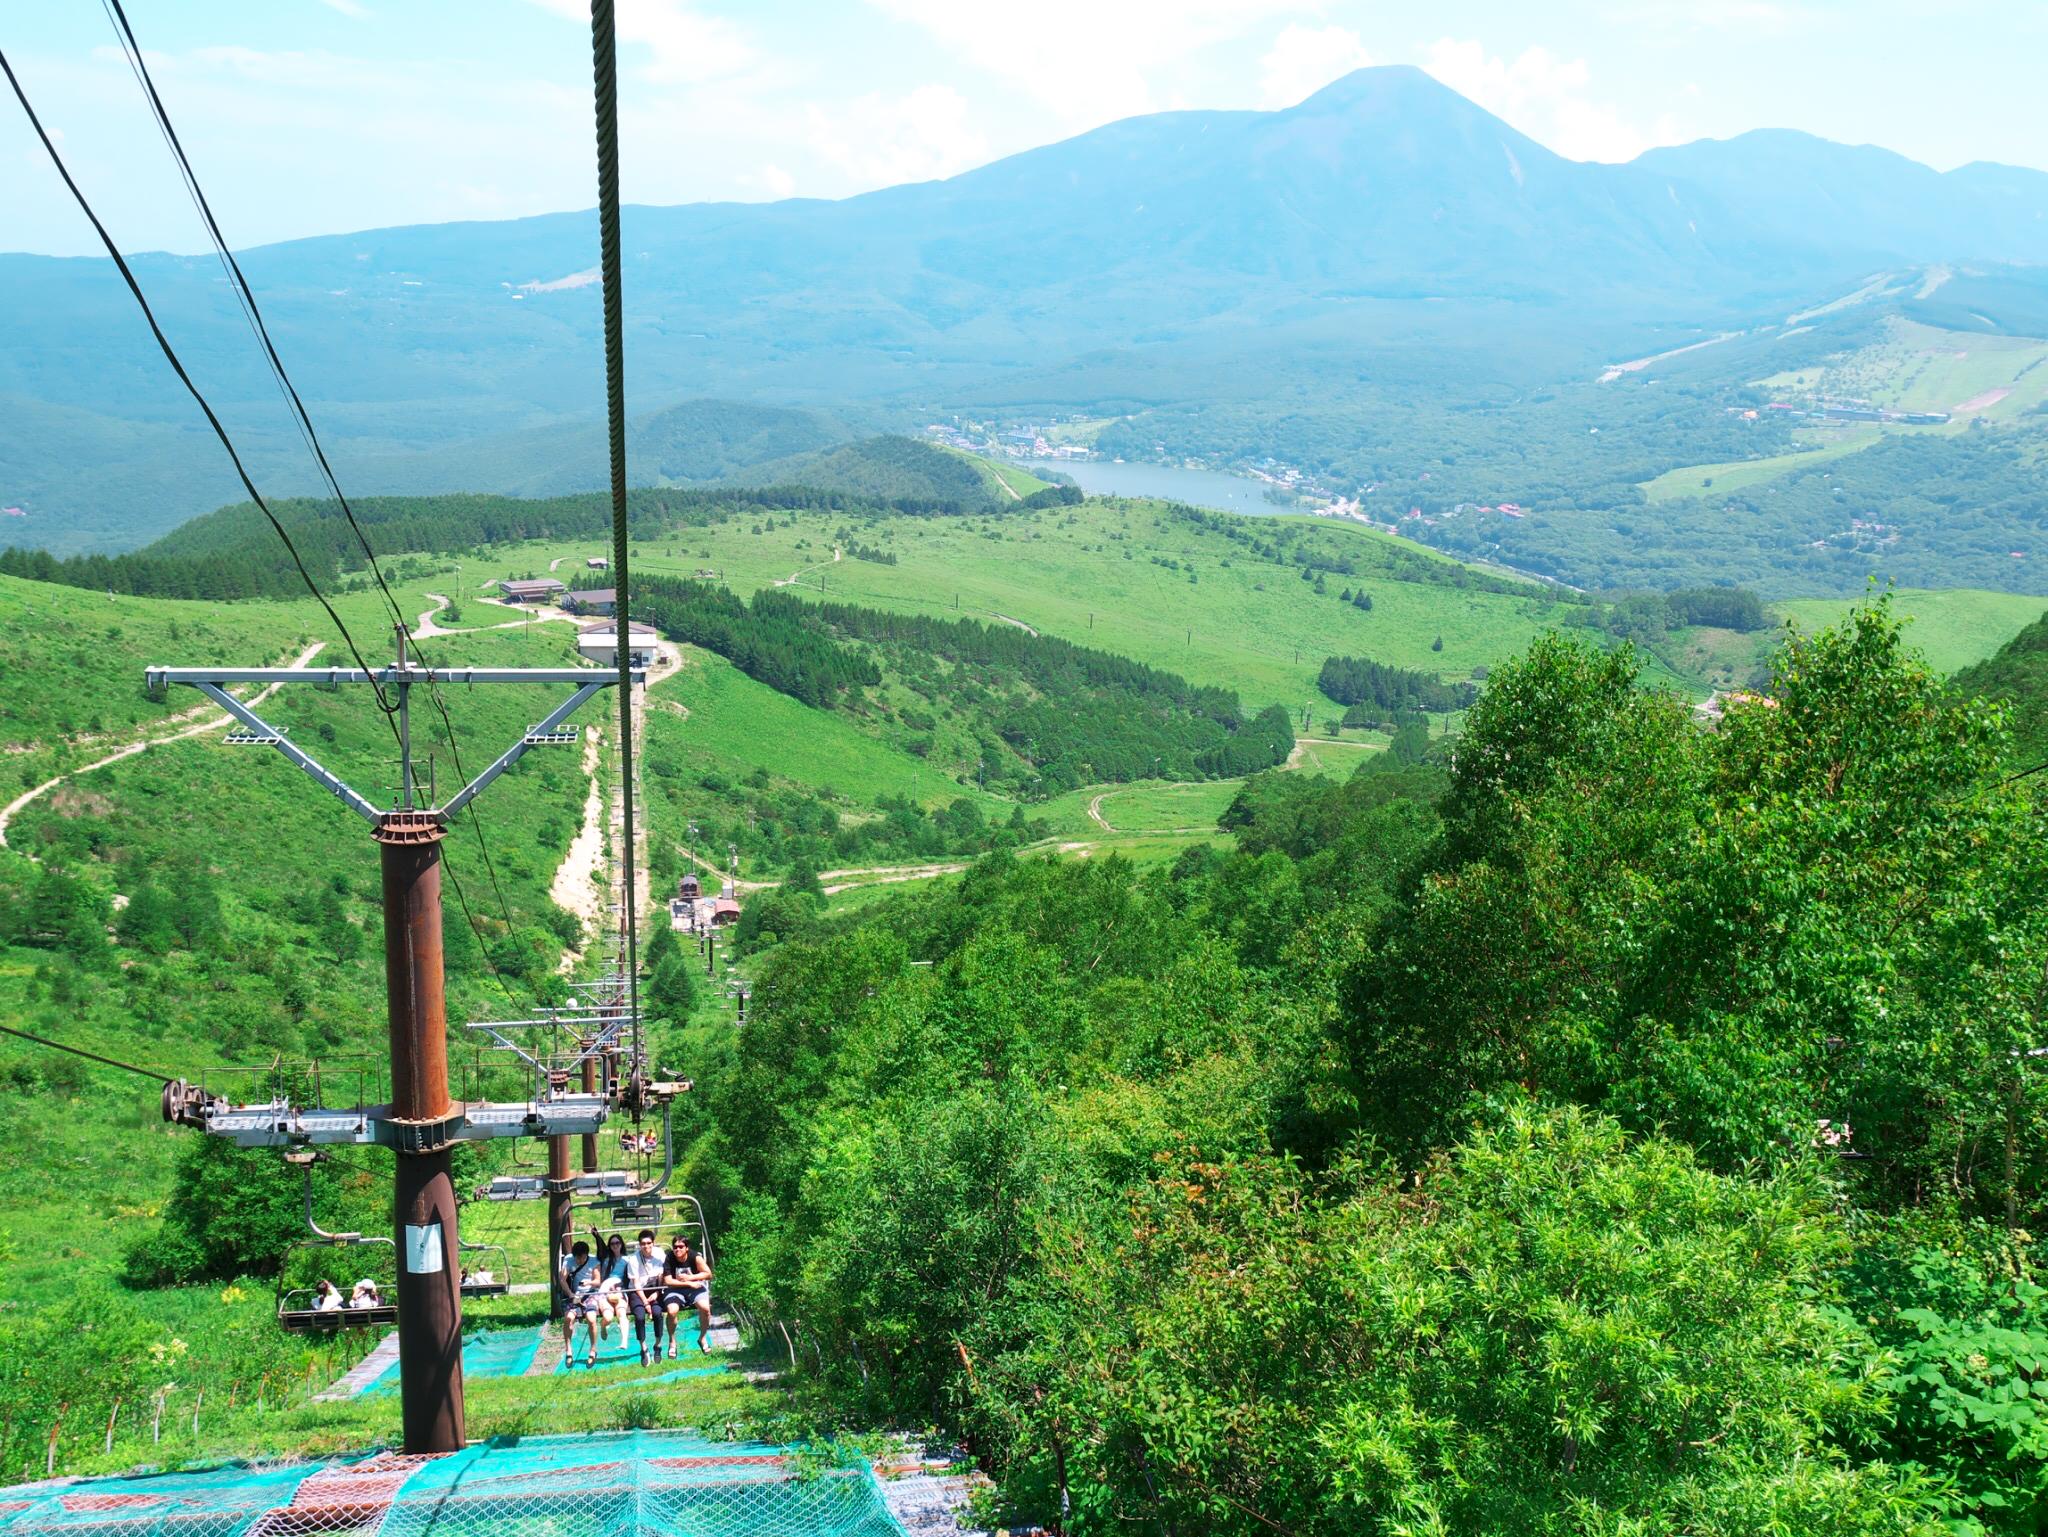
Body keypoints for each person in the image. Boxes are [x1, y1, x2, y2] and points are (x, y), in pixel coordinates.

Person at [658, 1235, 714, 1357]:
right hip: (675, 1289)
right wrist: (688, 1283)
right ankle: (672, 1341)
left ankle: (702, 1338)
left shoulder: (695, 1257)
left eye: (681, 1247)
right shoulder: (669, 1258)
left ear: (686, 1248)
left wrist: (691, 1278)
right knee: (672, 1311)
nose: (677, 1249)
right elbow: (668, 1281)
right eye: (675, 1247)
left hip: (695, 1288)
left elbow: (708, 1274)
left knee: (705, 1309)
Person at [556, 1240, 606, 1368]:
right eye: (577, 1258)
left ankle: (593, 1349)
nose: (579, 1261)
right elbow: (562, 1278)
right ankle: (568, 1349)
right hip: (575, 1295)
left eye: (582, 1258)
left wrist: (588, 1283)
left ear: (586, 1255)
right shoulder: (569, 1260)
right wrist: (570, 1293)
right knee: (568, 1318)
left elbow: (598, 1281)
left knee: (591, 1319)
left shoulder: (594, 1261)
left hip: (590, 1294)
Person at [622, 1229, 667, 1365]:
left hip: (655, 1288)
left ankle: (658, 1345)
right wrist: (646, 1303)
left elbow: (663, 1276)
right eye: (643, 1244)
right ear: (639, 1245)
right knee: (640, 1316)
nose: (646, 1246)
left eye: (648, 1243)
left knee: (658, 1313)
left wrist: (657, 1293)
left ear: (653, 1243)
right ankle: (643, 1348)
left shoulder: (660, 1254)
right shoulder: (634, 1259)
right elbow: (636, 1284)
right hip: (637, 1291)